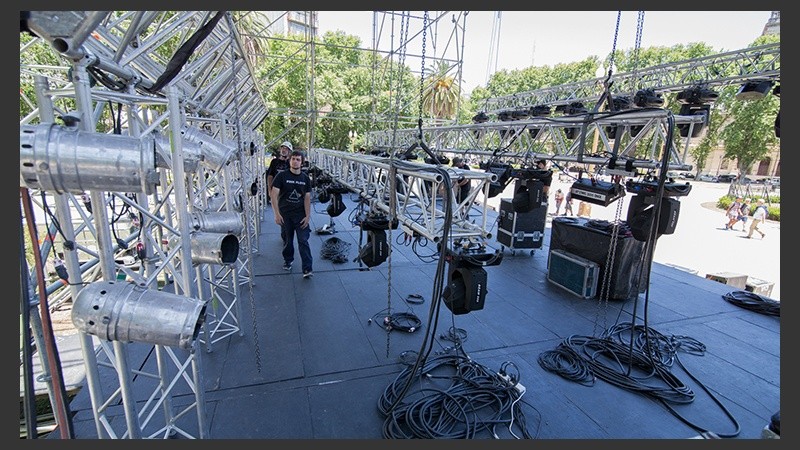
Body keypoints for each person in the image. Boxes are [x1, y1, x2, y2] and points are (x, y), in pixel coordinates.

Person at [271, 150, 314, 278]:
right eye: (293, 159)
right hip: (285, 215)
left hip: (300, 215)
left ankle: (307, 269)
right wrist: (277, 214)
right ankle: (288, 260)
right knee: (288, 240)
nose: (295, 161)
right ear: (290, 161)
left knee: (303, 241)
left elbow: (307, 198)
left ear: (302, 162)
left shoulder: (305, 178)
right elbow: (274, 195)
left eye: (298, 159)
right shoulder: (281, 176)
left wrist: (307, 216)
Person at [266, 141, 292, 205]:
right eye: (282, 148)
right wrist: (269, 190)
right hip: (276, 189)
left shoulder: (291, 163)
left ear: (289, 151)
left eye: (286, 149)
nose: (284, 150)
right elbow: (270, 176)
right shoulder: (274, 162)